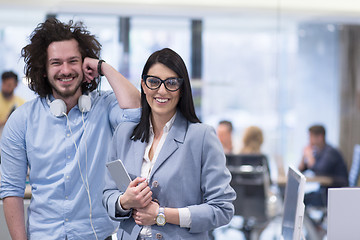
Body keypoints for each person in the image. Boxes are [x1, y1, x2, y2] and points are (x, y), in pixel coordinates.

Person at [0, 18, 141, 240]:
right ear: (44, 70)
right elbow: (11, 190)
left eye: (73, 61)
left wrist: (103, 67)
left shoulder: (104, 106)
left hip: (97, 235)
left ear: (85, 65)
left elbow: (137, 110)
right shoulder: (21, 120)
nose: (65, 70)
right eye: (56, 62)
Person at [103, 48, 236, 240]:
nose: (162, 90)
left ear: (182, 89)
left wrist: (161, 215)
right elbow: (108, 194)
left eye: (171, 83)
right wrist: (124, 201)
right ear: (143, 85)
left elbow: (222, 208)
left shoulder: (202, 137)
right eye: (154, 82)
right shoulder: (124, 133)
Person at [298, 124, 348, 206]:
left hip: (334, 194)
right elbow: (301, 170)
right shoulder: (319, 151)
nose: (309, 140)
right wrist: (304, 156)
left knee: (301, 200)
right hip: (324, 191)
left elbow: (320, 171)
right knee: (300, 198)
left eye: (311, 137)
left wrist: (309, 156)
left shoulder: (330, 152)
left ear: (320, 137)